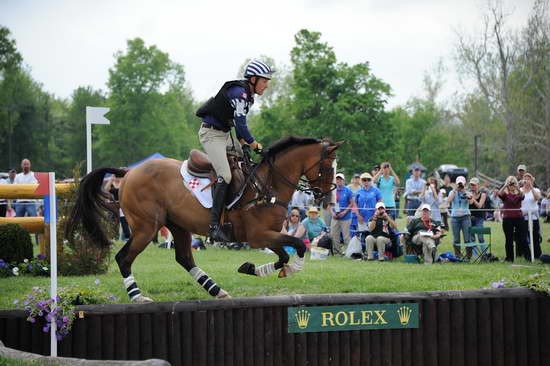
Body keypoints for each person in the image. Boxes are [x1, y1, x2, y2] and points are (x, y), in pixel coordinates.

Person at [196, 60, 272, 242]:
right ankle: (214, 226)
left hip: (225, 134)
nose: (267, 85)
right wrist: (256, 145)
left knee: (245, 164)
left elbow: (239, 128)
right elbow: (242, 125)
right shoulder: (240, 93)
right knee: (226, 175)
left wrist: (245, 145)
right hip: (211, 135)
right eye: (264, 81)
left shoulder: (248, 96)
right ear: (253, 79)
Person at [498, 176, 526, 262]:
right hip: (507, 219)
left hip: (519, 218)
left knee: (521, 238)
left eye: (513, 182)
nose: (511, 184)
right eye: (510, 183)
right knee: (509, 239)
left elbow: (523, 196)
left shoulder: (518, 193)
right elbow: (499, 194)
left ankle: (524, 255)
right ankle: (509, 258)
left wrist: (517, 187)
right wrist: (505, 185)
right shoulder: (505, 194)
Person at [446, 176, 472, 259]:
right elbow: (449, 201)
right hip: (455, 218)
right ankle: (458, 255)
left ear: (465, 184)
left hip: (465, 217)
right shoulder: (452, 192)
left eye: (461, 184)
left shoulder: (468, 192)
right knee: (456, 238)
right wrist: (455, 190)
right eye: (459, 184)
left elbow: (471, 202)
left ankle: (468, 256)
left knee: (467, 238)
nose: (460, 185)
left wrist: (464, 191)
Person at [331, 173, 354, 255]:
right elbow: (330, 204)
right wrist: (332, 212)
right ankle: (337, 252)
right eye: (337, 179)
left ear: (344, 181)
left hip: (346, 217)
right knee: (334, 235)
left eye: (340, 179)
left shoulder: (348, 190)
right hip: (335, 217)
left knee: (346, 236)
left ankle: (349, 252)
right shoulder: (332, 190)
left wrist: (344, 212)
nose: (338, 181)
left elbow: (352, 203)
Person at [520, 173, 542, 259]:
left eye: (528, 179)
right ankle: (527, 255)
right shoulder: (520, 190)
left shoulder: (536, 190)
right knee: (523, 237)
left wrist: (531, 187)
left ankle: (537, 255)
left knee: (535, 237)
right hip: (523, 217)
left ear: (532, 180)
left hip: (533, 217)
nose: (527, 181)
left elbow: (537, 198)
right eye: (525, 179)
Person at [104, 174, 131, 241]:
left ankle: (126, 237)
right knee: (113, 221)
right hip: (113, 204)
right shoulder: (112, 182)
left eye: (119, 176)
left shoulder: (123, 182)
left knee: (124, 221)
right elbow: (106, 190)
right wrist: (111, 180)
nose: (117, 178)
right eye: (116, 176)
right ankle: (113, 236)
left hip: (123, 203)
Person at [468, 177, 487, 253]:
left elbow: (479, 206)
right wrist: (470, 197)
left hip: (479, 218)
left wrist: (473, 198)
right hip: (470, 218)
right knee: (472, 238)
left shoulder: (483, 194)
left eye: (474, 185)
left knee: (480, 237)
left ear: (478, 185)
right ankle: (476, 256)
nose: (472, 186)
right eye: (471, 185)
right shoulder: (469, 193)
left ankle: (484, 254)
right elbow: (470, 203)